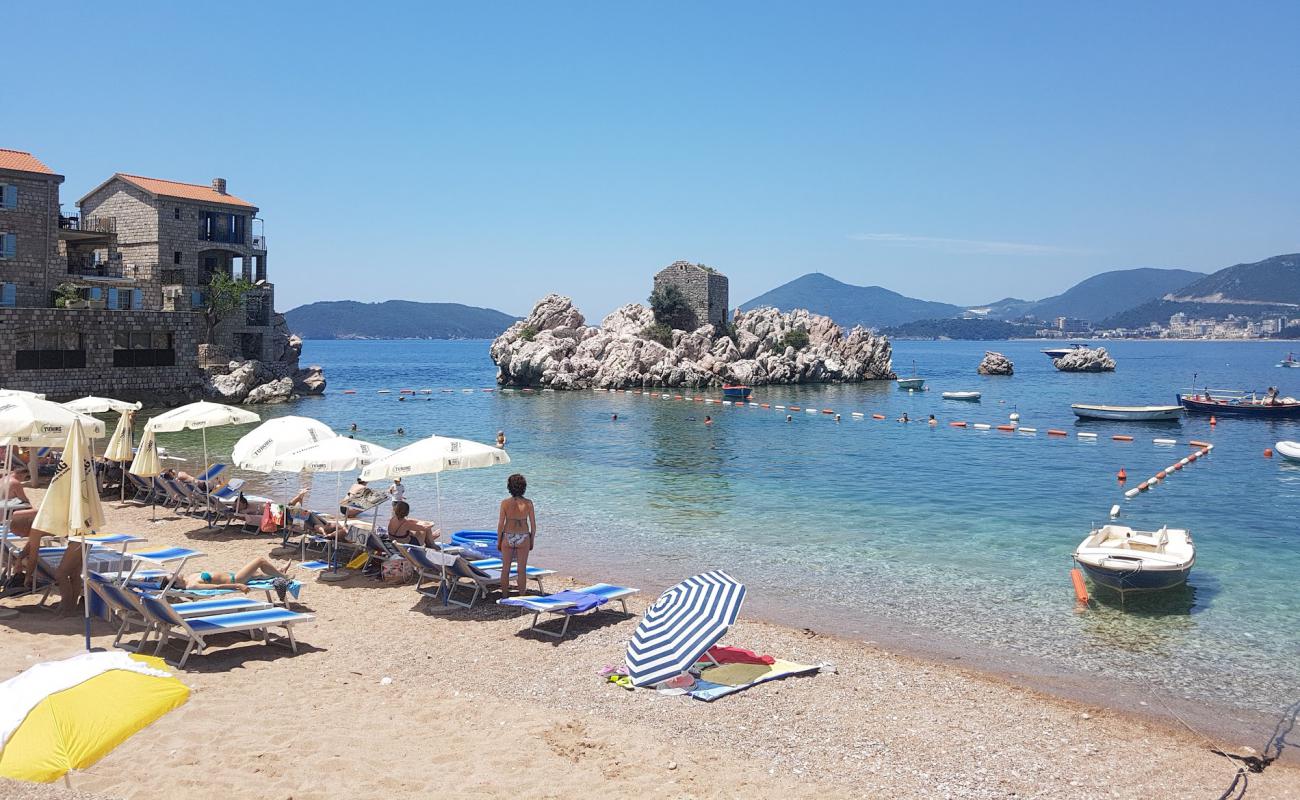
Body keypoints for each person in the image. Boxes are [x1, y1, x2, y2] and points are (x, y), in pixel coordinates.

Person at [496, 473, 536, 596]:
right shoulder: (528, 503)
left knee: (505, 568)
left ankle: (504, 596)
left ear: (509, 487)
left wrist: (499, 540)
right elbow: (533, 526)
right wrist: (531, 540)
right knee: (521, 570)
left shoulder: (505, 503)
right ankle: (522, 596)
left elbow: (500, 524)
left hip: (507, 536)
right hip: (523, 536)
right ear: (523, 487)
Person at [175, 556, 291, 591]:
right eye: (174, 577)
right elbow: (216, 587)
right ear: (176, 584)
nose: (175, 573)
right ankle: (284, 577)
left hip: (232, 575)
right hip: (235, 580)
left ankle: (279, 571)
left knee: (257, 574)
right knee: (260, 560)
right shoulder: (192, 585)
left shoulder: (188, 578)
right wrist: (238, 585)